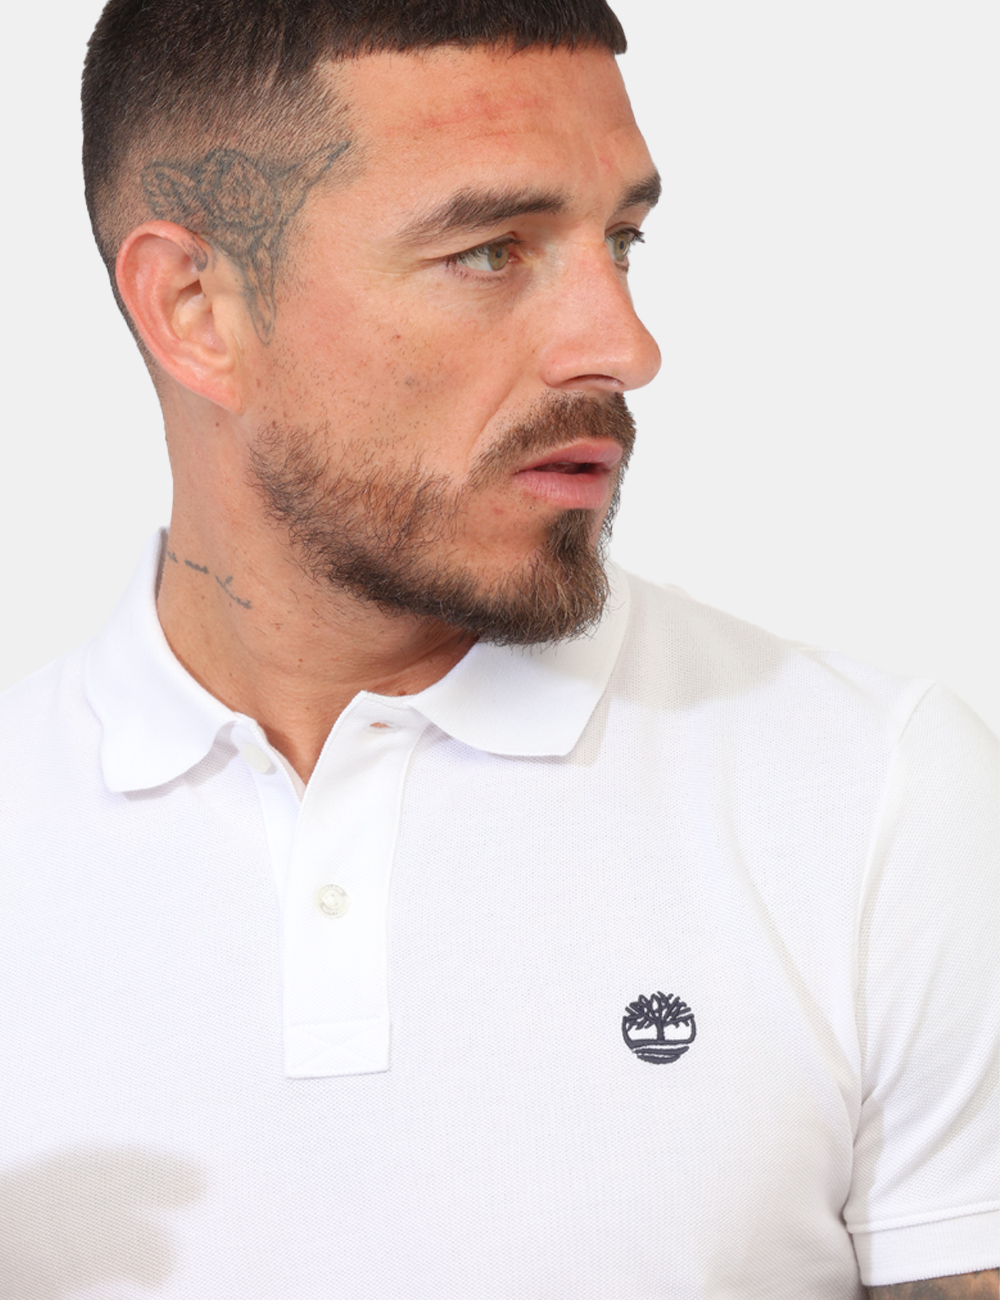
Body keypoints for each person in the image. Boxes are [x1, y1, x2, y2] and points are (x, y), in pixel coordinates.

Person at [0, 1, 995, 1296]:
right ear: (197, 307)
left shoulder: (876, 798)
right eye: (489, 251)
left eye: (622, 241)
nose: (625, 347)